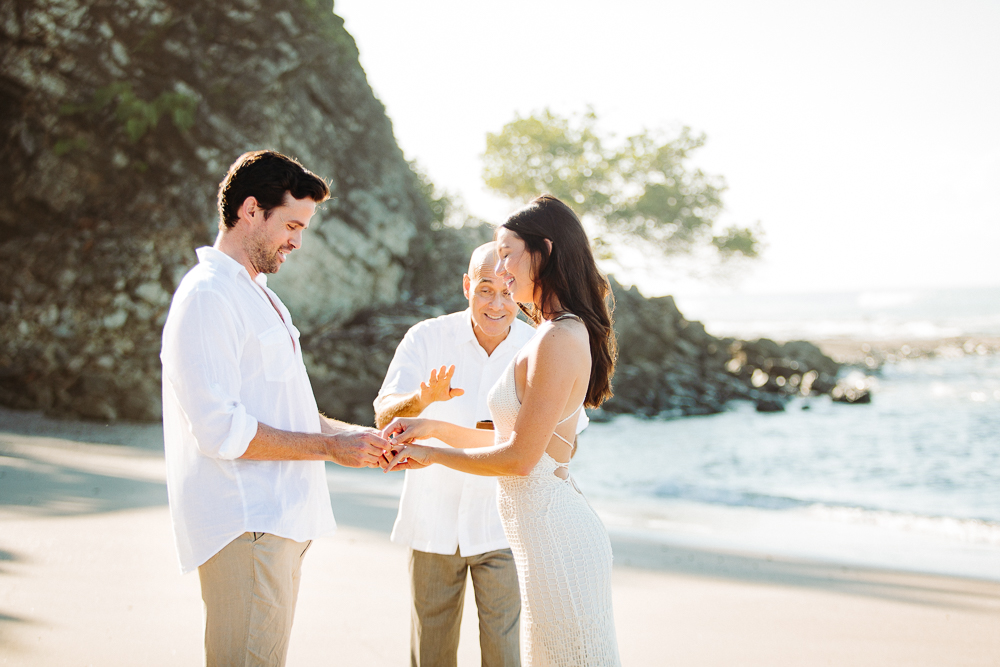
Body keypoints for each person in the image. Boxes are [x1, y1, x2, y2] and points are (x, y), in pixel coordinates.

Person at [160, 150, 391, 667]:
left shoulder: (258, 295)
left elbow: (290, 412)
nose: (297, 241)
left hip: (277, 525)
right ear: (249, 211)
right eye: (290, 224)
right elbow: (220, 430)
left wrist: (362, 440)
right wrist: (331, 449)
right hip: (247, 525)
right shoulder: (209, 295)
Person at [382, 195, 621, 666]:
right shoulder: (557, 332)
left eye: (508, 252)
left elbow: (519, 459)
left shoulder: (554, 338)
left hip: (554, 537)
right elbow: (514, 443)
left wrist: (431, 455)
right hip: (543, 536)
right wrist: (432, 426)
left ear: (544, 251)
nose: (504, 269)